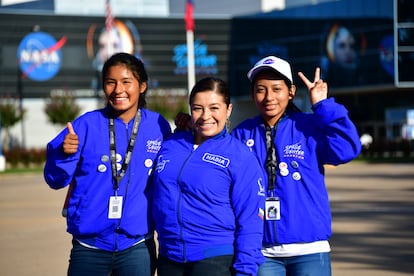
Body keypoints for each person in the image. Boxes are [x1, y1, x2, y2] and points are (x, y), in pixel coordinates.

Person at [231, 55, 362, 276]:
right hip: (261, 251)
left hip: (309, 250)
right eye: (261, 89)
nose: (268, 97)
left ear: (291, 91)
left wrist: (323, 105)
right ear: (253, 94)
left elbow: (347, 149)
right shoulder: (242, 133)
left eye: (276, 89)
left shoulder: (310, 126)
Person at [44, 52, 171, 276]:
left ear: (142, 86)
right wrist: (65, 154)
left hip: (137, 246)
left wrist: (186, 131)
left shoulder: (158, 126)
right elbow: (55, 180)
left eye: (126, 82)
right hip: (89, 247)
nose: (118, 89)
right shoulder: (85, 125)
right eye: (110, 82)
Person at [151, 77, 266, 276]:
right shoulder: (171, 145)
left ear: (228, 110)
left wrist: (246, 270)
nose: (206, 116)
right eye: (197, 108)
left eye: (214, 108)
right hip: (169, 257)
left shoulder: (240, 156)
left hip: (214, 260)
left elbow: (251, 219)